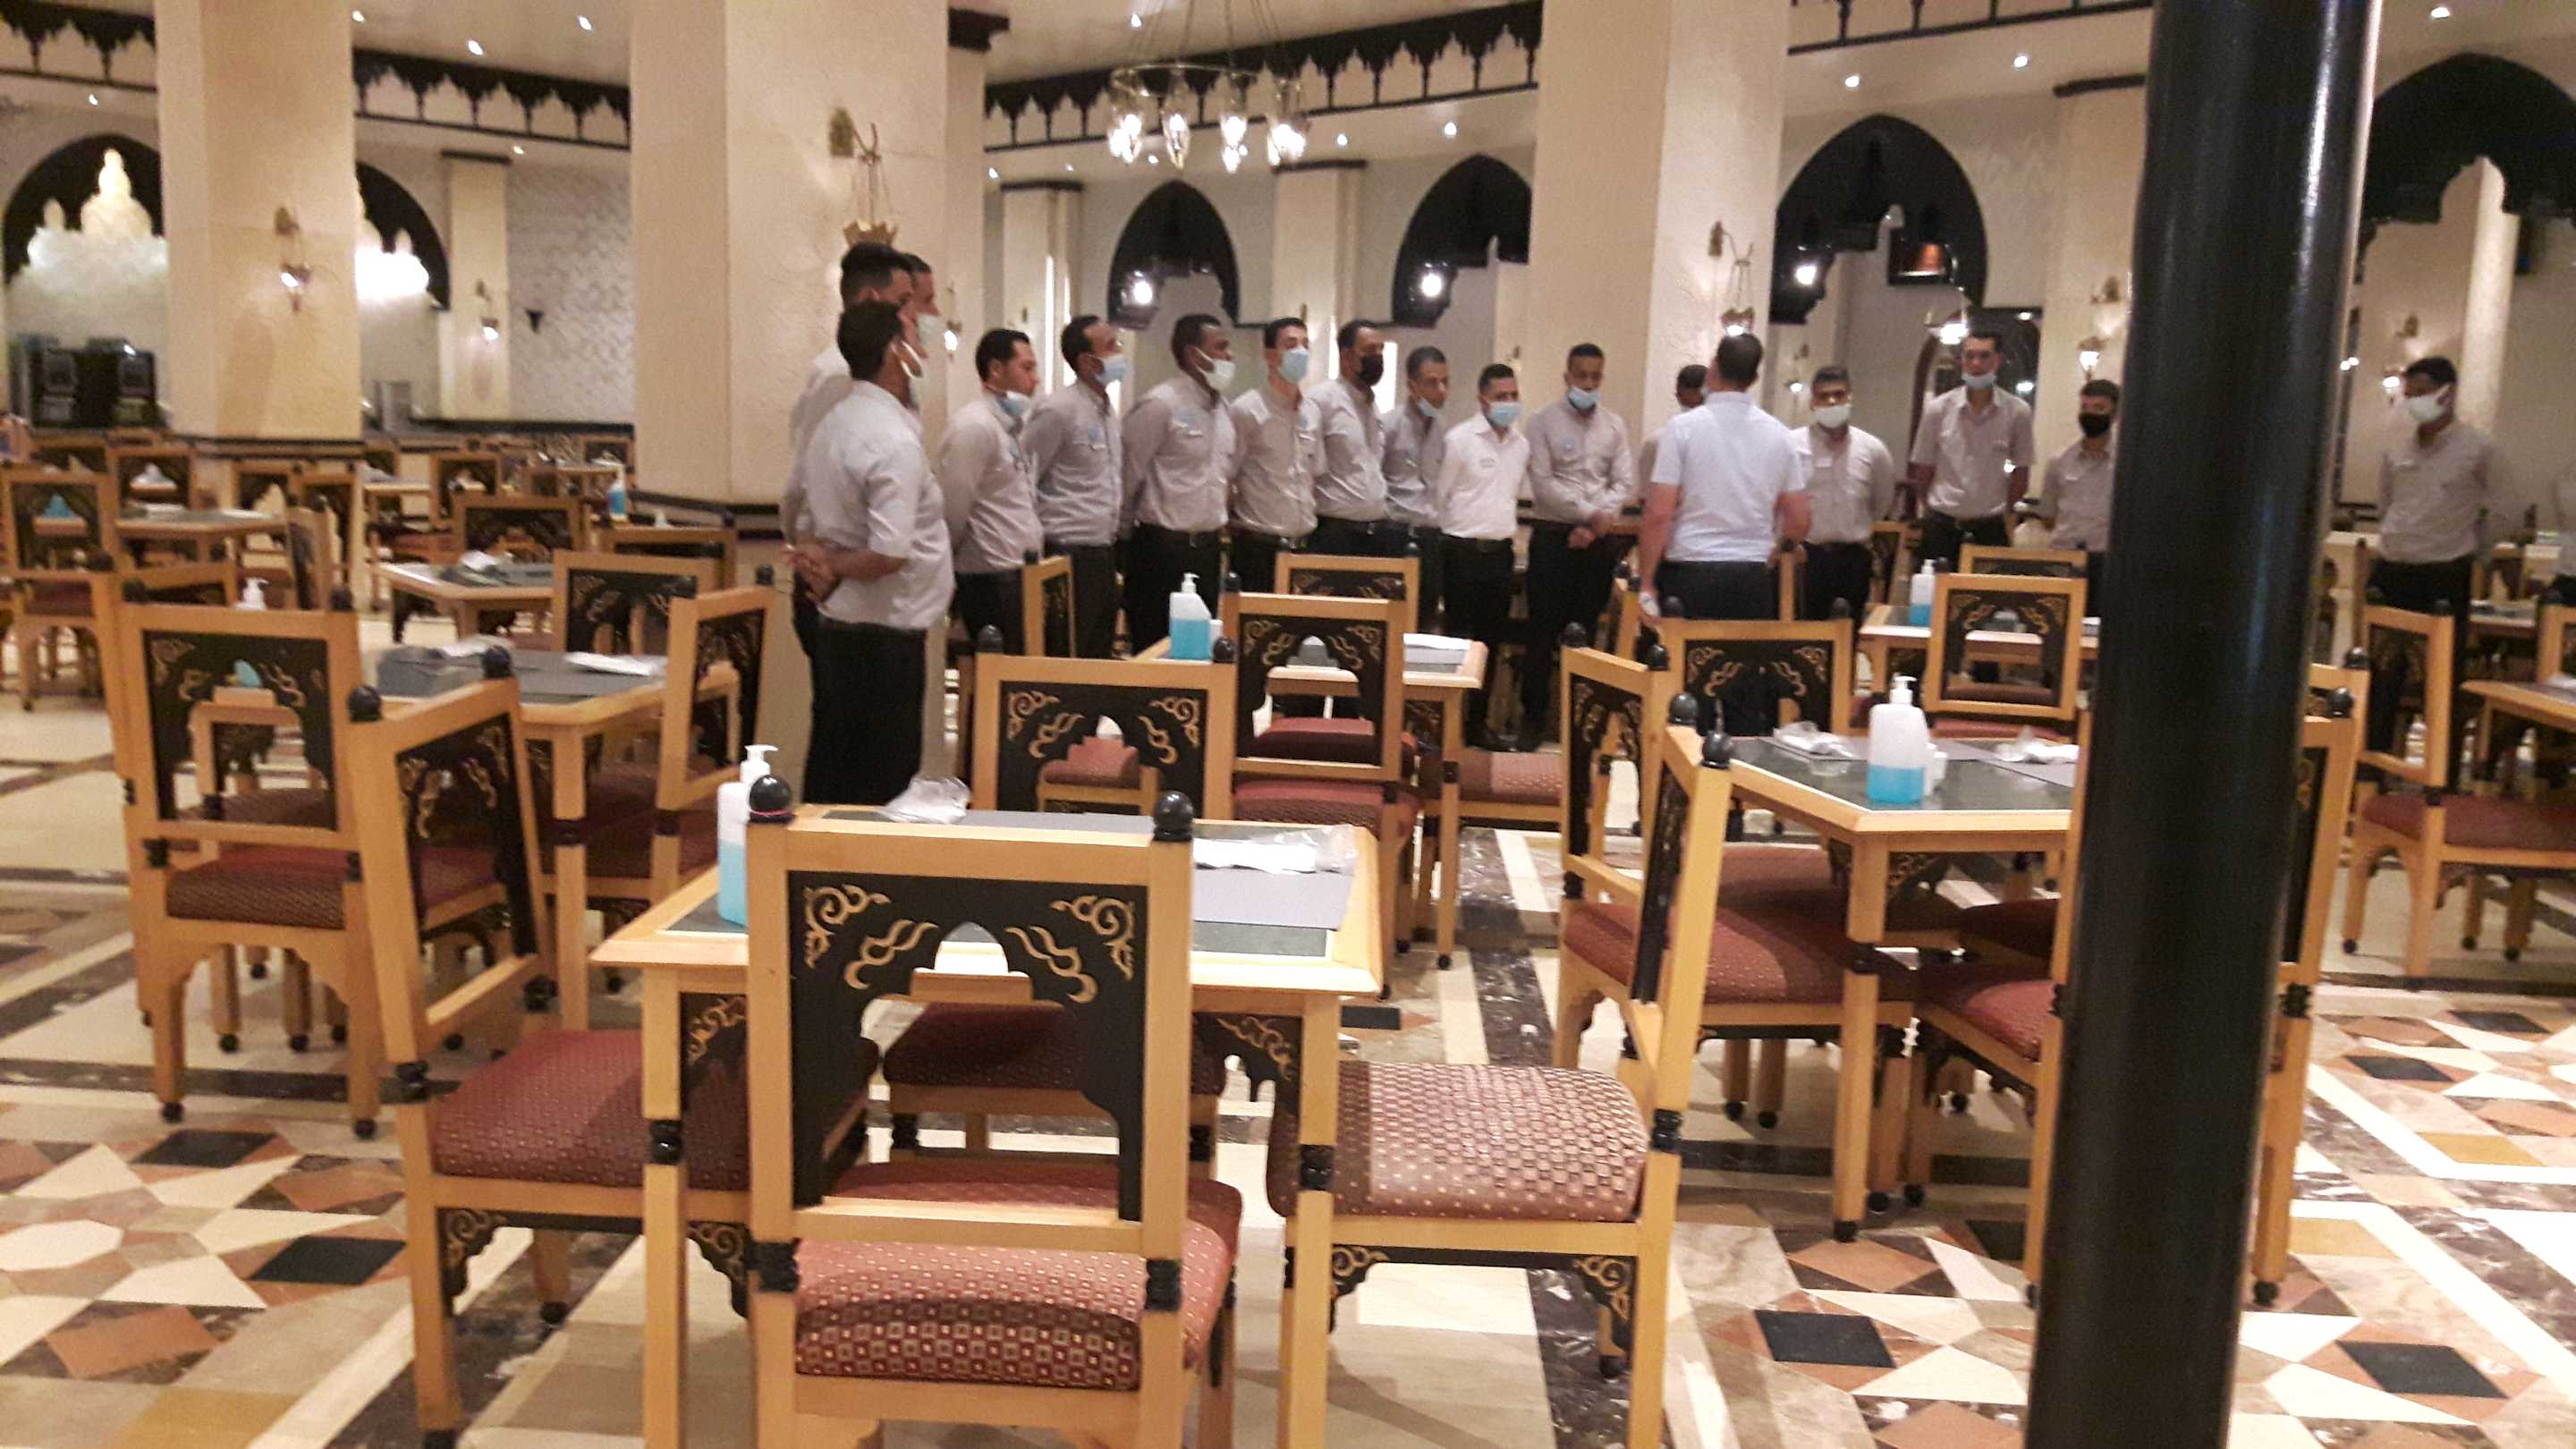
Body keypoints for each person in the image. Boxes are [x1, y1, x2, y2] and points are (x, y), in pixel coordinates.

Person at [786, 301, 951, 806]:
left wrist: (818, 560)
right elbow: (889, 553)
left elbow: (801, 512)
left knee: (834, 770)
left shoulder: (833, 423)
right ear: (893, 352)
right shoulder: (891, 439)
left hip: (842, 625)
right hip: (886, 637)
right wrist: (829, 563)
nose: (923, 349)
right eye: (913, 337)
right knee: (883, 788)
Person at [784, 241, 912, 657]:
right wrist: (814, 560)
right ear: (872, 299)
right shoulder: (841, 375)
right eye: (904, 302)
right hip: (840, 578)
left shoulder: (883, 379)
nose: (913, 316)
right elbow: (806, 481)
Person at [1638, 333, 1808, 621]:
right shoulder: (1780, 434)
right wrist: (1780, 549)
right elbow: (1799, 519)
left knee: (1681, 650)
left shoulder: (1682, 429)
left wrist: (1645, 581)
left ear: (1713, 367)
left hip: (1691, 569)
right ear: (1754, 378)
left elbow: (1659, 513)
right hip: (1753, 574)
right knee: (1743, 651)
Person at [1520, 343, 1636, 746]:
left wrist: (1598, 522)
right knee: (1542, 633)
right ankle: (1533, 720)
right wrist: (1589, 513)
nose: (1588, 383)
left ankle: (1581, 724)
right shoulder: (1542, 421)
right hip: (1554, 537)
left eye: (1595, 376)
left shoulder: (1614, 426)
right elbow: (1543, 482)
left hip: (1598, 543)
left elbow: (1622, 482)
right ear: (1567, 376)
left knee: (1585, 634)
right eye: (1581, 375)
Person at [1122, 313, 1234, 650]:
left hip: (1208, 549)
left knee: (1198, 651)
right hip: (1162, 549)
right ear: (1192, 354)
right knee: (1154, 648)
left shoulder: (1225, 410)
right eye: (1220, 347)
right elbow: (1128, 476)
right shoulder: (1161, 404)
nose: (1229, 356)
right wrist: (1123, 542)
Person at [1434, 363, 1528, 743]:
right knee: (1458, 641)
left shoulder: (1521, 445)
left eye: (1513, 395)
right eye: (1501, 396)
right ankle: (1448, 723)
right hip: (1462, 551)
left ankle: (1477, 725)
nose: (1509, 402)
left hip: (1500, 553)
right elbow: (1441, 496)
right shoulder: (1460, 440)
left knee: (1491, 642)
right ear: (1483, 399)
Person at [1025, 315, 1126, 657]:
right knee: (1070, 652)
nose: (1119, 352)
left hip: (1103, 551)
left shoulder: (1107, 410)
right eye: (1110, 346)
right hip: (1067, 552)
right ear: (1086, 361)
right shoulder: (1058, 410)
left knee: (1098, 654)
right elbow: (1027, 475)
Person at [2377, 355, 2496, 635]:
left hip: (2443, 573)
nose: (2413, 402)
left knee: (2441, 654)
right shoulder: (2397, 449)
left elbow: (2505, 510)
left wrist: (2470, 546)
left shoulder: (2478, 449)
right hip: (2392, 566)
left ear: (2448, 392)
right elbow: (2386, 504)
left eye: (2422, 393)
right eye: (2409, 395)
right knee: (2383, 655)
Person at [940, 328, 1040, 648]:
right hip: (991, 577)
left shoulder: (1011, 427)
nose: (1035, 379)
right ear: (996, 369)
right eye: (1026, 368)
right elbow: (953, 510)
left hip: (1021, 573)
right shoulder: (974, 426)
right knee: (998, 672)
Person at [1907, 326, 2035, 570]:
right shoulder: (1938, 409)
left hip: (1989, 528)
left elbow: (2021, 475)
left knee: (1989, 594)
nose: (1976, 363)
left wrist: (2000, 508)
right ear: (1962, 361)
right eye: (1970, 356)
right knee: (1930, 590)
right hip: (1941, 526)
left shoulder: (2017, 412)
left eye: (1984, 356)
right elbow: (1923, 471)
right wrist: (1935, 507)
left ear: (1997, 361)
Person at [1791, 365, 1898, 621]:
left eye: (1838, 394)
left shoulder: (1873, 449)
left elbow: (1881, 503)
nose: (1831, 401)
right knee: (1807, 634)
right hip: (1807, 558)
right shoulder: (1791, 445)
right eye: (1823, 396)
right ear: (1812, 402)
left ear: (1850, 397)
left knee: (1849, 632)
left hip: (1853, 559)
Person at [1225, 317, 1320, 592]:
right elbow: (1227, 475)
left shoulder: (1312, 411)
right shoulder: (1247, 410)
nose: (1300, 352)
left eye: (1305, 345)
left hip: (1304, 546)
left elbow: (1315, 472)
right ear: (1269, 355)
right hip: (1260, 546)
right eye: (1290, 345)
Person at [1308, 319, 1398, 557]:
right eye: (1369, 350)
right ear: (1346, 356)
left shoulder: (1372, 405)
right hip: (1335, 532)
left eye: (1381, 350)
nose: (1377, 357)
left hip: (1375, 531)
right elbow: (1307, 466)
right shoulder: (1321, 400)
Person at [2038, 378, 2122, 617]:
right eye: (2085, 407)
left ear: (2114, 414)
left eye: (2099, 408)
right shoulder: (2059, 461)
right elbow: (2048, 516)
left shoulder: (2126, 462)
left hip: (2107, 559)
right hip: (2063, 557)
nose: (2090, 414)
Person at [1383, 345, 1450, 628]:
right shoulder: (1389, 425)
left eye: (1445, 382)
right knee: (1394, 619)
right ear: (1412, 386)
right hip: (1396, 534)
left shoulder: (1444, 429)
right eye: (1432, 383)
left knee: (1426, 618)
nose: (1441, 390)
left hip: (1431, 536)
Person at [1634, 363, 1708, 485]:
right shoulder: (1658, 441)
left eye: (1700, 402)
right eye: (1689, 404)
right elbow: (1646, 490)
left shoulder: (1658, 440)